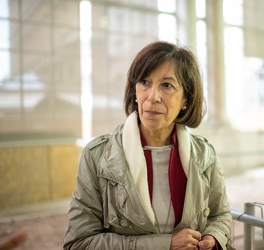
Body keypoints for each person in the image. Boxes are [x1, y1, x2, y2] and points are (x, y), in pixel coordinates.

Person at [63, 41, 234, 250]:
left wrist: (213, 237)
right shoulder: (97, 157)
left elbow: (220, 214)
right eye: (145, 82)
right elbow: (79, 243)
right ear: (135, 91)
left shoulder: (204, 155)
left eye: (167, 85)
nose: (152, 97)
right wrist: (165, 245)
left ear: (186, 99)